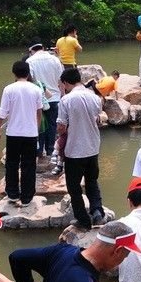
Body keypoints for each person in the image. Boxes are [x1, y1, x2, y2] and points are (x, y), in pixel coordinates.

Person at [9, 221, 141, 282]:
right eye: (124, 257)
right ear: (117, 251)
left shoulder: (61, 251)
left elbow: (17, 257)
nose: (120, 263)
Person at [57, 68, 104, 230]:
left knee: (74, 186)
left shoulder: (66, 100)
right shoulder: (95, 98)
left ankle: (83, 220)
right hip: (92, 147)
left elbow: (62, 126)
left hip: (74, 150)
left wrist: (60, 134)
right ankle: (97, 211)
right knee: (92, 181)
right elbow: (98, 118)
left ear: (66, 83)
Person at [0, 60, 43, 207]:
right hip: (30, 133)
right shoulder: (36, 89)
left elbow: (2, 113)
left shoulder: (9, 89)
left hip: (13, 133)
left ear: (14, 73)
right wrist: (36, 128)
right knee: (29, 165)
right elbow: (39, 112)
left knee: (12, 164)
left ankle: (13, 194)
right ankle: (27, 197)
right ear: (28, 73)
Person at [27, 41, 64, 159]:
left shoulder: (30, 61)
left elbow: (30, 81)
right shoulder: (55, 60)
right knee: (52, 125)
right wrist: (62, 95)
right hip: (54, 97)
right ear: (42, 48)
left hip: (39, 99)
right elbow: (61, 80)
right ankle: (50, 151)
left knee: (40, 125)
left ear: (31, 50)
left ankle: (39, 152)